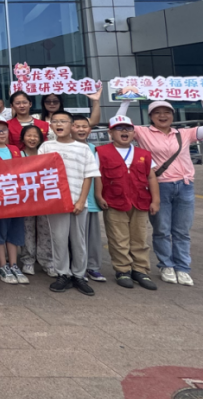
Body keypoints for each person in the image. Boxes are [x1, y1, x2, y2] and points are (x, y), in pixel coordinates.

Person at [117, 95, 203, 287]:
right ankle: (166, 265)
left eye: (166, 112)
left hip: (185, 185)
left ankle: (183, 268)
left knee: (182, 230)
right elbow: (118, 123)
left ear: (172, 115)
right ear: (150, 116)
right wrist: (126, 101)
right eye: (157, 113)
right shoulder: (142, 132)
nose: (162, 116)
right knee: (162, 230)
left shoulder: (184, 133)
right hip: (159, 185)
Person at [39, 111, 100, 297]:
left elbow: (88, 176)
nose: (59, 124)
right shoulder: (46, 147)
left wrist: (82, 201)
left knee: (79, 240)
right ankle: (62, 274)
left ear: (71, 125)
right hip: (56, 203)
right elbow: (39, 173)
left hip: (78, 202)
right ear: (51, 126)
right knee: (58, 239)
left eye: (63, 121)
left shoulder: (83, 148)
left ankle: (79, 275)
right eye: (55, 121)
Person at [95, 116, 160, 290]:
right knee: (118, 238)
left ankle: (140, 270)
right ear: (110, 133)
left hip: (140, 201)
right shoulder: (101, 152)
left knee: (139, 237)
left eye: (128, 128)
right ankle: (122, 269)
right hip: (114, 201)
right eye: (119, 128)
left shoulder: (143, 154)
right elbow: (98, 175)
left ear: (133, 132)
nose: (124, 132)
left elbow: (151, 176)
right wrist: (99, 196)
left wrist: (156, 200)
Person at [0, 115, 27, 285]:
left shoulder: (14, 149)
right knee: (0, 231)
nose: (1, 133)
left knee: (14, 231)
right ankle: (2, 265)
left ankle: (14, 264)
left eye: (4, 130)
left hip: (16, 197)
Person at [15, 124, 53, 277]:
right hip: (26, 200)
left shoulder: (46, 154)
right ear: (23, 137)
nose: (32, 139)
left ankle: (47, 261)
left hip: (44, 199)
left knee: (46, 230)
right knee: (27, 230)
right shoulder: (18, 155)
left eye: (35, 136)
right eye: (29, 135)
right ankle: (27, 260)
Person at [71, 115, 105, 284]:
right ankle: (79, 267)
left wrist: (98, 195)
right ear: (71, 128)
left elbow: (96, 174)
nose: (81, 129)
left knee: (92, 236)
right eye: (77, 126)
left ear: (90, 130)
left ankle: (93, 266)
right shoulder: (66, 147)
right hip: (73, 199)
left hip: (90, 199)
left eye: (85, 126)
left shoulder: (93, 149)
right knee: (77, 237)